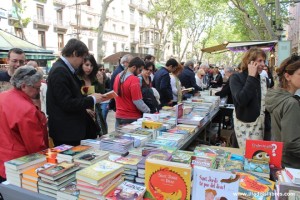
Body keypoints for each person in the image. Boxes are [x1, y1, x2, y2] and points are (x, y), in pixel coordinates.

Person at [47, 39, 107, 146]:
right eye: (82, 59)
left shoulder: (66, 69)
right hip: (66, 133)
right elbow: (67, 103)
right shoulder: (60, 71)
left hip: (72, 131)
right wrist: (92, 99)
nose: (82, 63)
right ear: (75, 53)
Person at [0, 65, 48, 182]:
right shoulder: (26, 109)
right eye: (37, 88)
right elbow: (36, 146)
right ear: (24, 86)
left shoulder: (2, 97)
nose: (38, 91)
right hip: (21, 163)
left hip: (3, 159)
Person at [265, 55, 300, 169]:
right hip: (292, 164)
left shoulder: (279, 97)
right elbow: (291, 142)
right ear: (287, 76)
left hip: (281, 160)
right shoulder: (290, 103)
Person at [229, 47, 267, 148]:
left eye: (264, 61)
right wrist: (251, 76)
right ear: (250, 62)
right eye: (260, 61)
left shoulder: (263, 80)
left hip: (262, 127)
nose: (263, 64)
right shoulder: (236, 78)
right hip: (244, 128)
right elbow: (242, 100)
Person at [114, 57, 150, 128]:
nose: (140, 73)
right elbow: (137, 101)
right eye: (140, 70)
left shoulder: (118, 77)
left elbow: (115, 95)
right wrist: (147, 110)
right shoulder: (134, 80)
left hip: (119, 115)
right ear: (134, 67)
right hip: (131, 117)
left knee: (120, 137)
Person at [77, 54, 108, 137]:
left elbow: (100, 95)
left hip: (96, 114)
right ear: (81, 65)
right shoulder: (77, 78)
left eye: (91, 65)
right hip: (82, 116)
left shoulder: (94, 78)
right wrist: (85, 109)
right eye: (87, 65)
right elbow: (75, 99)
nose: (89, 68)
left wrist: (101, 83)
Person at [98, 64, 111, 129]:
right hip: (97, 101)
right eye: (100, 69)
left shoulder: (107, 79)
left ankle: (104, 132)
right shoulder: (94, 79)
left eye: (103, 69)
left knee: (103, 118)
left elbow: (110, 89)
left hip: (105, 101)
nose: (102, 71)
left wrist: (103, 90)